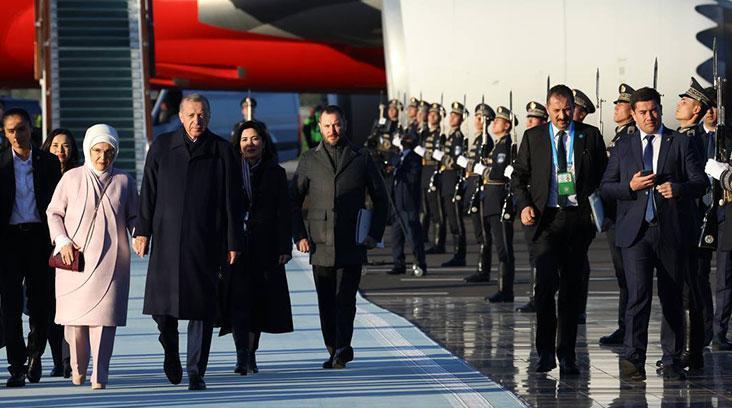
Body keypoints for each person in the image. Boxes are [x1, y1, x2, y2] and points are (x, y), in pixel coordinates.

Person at [133, 94, 243, 391]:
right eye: (192, 115)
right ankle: (170, 349)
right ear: (180, 117)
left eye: (202, 114)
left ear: (209, 116)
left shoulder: (222, 150)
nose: (197, 120)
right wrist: (142, 231)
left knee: (201, 309)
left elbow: (232, 200)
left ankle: (196, 371)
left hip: (205, 240)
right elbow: (148, 191)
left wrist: (233, 241)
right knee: (162, 308)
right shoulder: (162, 146)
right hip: (166, 239)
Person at [602, 87, 707, 381]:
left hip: (670, 231)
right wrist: (630, 187)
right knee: (638, 297)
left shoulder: (680, 142)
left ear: (660, 110)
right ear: (634, 115)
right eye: (643, 112)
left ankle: (672, 359)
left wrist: (679, 189)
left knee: (672, 297)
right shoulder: (623, 146)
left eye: (654, 110)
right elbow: (606, 187)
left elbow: (701, 182)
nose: (650, 117)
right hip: (636, 234)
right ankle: (632, 359)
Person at [512, 85, 607, 375]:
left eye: (567, 110)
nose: (562, 116)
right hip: (547, 221)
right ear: (548, 109)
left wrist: (598, 213)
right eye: (556, 111)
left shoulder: (590, 135)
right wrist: (524, 205)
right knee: (544, 289)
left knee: (571, 291)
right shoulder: (534, 137)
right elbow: (518, 178)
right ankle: (544, 353)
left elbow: (604, 176)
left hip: (578, 222)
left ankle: (567, 354)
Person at [291, 105, 388, 369]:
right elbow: (293, 200)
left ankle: (343, 347)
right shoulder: (309, 160)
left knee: (346, 298)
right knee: (326, 302)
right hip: (320, 242)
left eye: (336, 125)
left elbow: (381, 199)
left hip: (351, 241)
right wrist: (299, 235)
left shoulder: (361, 157)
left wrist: (374, 234)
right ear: (319, 128)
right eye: (327, 126)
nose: (332, 130)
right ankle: (333, 348)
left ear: (343, 124)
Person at [46, 124, 138, 389]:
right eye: (97, 150)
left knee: (105, 321)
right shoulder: (71, 178)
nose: (102, 157)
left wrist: (139, 236)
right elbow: (54, 213)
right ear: (88, 149)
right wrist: (62, 241)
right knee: (75, 323)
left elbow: (134, 215)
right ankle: (78, 369)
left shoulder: (124, 181)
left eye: (108, 152)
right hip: (74, 260)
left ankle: (100, 374)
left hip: (112, 260)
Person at [226, 120, 294, 375]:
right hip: (235, 244)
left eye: (255, 139)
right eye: (244, 140)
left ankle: (251, 352)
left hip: (265, 245)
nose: (250, 144)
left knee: (258, 301)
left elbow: (283, 211)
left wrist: (284, 246)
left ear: (264, 143)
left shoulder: (275, 173)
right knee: (238, 301)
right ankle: (241, 354)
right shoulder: (230, 171)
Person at [0, 108, 62, 387]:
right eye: (11, 130)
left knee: (41, 303)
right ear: (5, 133)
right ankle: (17, 366)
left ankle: (35, 354)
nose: (17, 135)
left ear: (30, 129)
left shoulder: (48, 162)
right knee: (10, 306)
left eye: (21, 128)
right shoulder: (1, 163)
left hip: (39, 238)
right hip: (8, 241)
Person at [672, 78, 713, 370]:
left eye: (685, 101)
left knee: (691, 286)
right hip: (677, 221)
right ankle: (683, 348)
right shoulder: (681, 136)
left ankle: (691, 350)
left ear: (696, 109)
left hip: (691, 222)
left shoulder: (694, 140)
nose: (679, 104)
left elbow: (699, 184)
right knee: (681, 286)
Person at [40, 128, 81, 378]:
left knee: (70, 305)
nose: (60, 150)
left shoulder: (79, 175)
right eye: (55, 145)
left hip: (72, 248)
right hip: (45, 245)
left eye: (65, 145)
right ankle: (58, 358)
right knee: (49, 306)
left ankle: (69, 360)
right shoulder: (41, 172)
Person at [599, 84, 635, 346]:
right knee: (623, 277)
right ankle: (625, 326)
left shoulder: (629, 136)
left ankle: (628, 328)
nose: (616, 108)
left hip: (624, 213)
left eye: (621, 104)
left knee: (628, 277)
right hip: (614, 213)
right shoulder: (618, 136)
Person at [516, 101, 548, 313]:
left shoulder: (545, 144)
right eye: (528, 118)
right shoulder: (528, 141)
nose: (528, 122)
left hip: (545, 205)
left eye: (533, 119)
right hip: (531, 205)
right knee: (534, 254)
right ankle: (536, 296)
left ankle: (541, 297)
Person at [483, 106, 517, 303]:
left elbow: (497, 172)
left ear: (507, 125)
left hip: (499, 201)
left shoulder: (505, 146)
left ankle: (506, 290)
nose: (494, 123)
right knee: (499, 247)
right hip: (492, 200)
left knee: (504, 248)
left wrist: (482, 170)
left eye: (498, 121)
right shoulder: (497, 145)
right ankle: (502, 288)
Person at [386, 130, 426, 276]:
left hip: (408, 202)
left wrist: (400, 168)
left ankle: (419, 263)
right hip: (397, 201)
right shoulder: (398, 156)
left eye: (408, 139)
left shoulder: (414, 158)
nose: (404, 140)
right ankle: (398, 263)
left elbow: (413, 177)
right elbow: (389, 169)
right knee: (396, 236)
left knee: (413, 235)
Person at [463, 103, 496, 283]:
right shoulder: (477, 140)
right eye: (476, 118)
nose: (477, 121)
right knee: (478, 231)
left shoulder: (486, 141)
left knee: (483, 232)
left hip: (481, 189)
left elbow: (482, 167)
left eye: (480, 118)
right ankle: (480, 268)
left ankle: (484, 270)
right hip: (473, 187)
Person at [439, 102, 468, 267]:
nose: (451, 118)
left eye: (455, 115)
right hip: (447, 181)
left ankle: (460, 255)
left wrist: (441, 157)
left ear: (461, 119)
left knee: (456, 220)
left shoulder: (457, 137)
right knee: (451, 219)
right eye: (451, 114)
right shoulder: (450, 136)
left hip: (453, 181)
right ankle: (457, 253)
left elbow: (456, 161)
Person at [421, 103, 446, 253]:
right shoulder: (425, 133)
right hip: (424, 173)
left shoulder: (439, 135)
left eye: (435, 114)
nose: (431, 116)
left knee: (437, 211)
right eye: (430, 113)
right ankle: (423, 237)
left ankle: (439, 243)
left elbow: (439, 155)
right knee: (425, 208)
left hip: (434, 173)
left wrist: (425, 153)